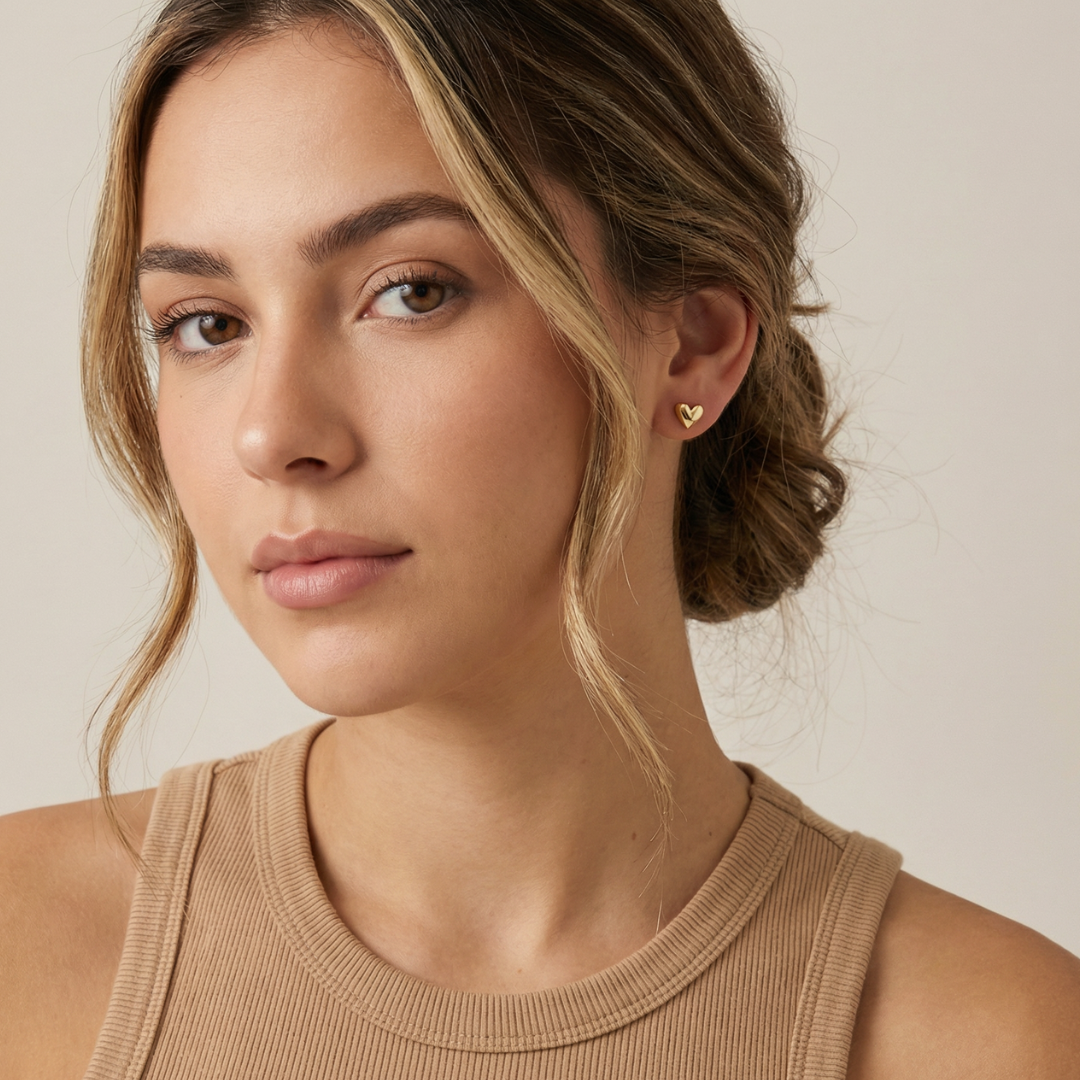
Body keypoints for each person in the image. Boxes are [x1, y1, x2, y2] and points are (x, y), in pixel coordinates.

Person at [1, 0, 1077, 1076]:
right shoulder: (23, 952)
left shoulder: (991, 1037)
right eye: (207, 324)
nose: (273, 433)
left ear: (693, 345)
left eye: (410, 293)